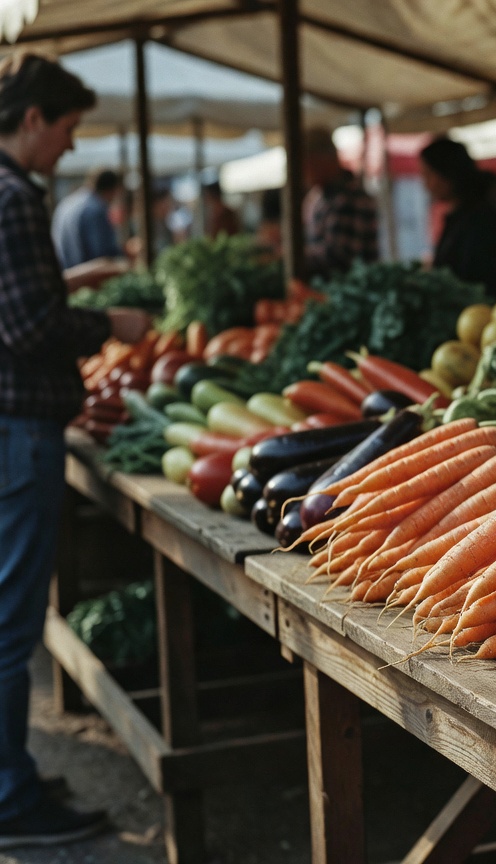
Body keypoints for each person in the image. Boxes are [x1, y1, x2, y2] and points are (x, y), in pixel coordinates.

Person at [0, 52, 151, 850]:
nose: (68, 146)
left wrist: (76, 279)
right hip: (18, 432)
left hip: (16, 426)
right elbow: (26, 329)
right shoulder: (16, 194)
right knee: (11, 625)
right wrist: (108, 325)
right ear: (32, 121)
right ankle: (9, 798)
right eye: (65, 129)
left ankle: (10, 776)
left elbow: (17, 301)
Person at [420, 136, 496, 302]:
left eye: (428, 175)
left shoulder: (483, 221)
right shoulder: (457, 218)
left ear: (446, 175)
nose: (425, 184)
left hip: (477, 318)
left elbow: (477, 282)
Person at [302, 126, 378, 279]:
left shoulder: (349, 198)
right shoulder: (321, 198)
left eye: (307, 163)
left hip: (351, 295)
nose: (304, 172)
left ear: (324, 160)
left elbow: (338, 258)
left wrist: (291, 254)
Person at [50, 168, 121, 269]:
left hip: (65, 273)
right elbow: (101, 254)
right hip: (84, 276)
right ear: (112, 190)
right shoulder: (95, 209)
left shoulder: (68, 202)